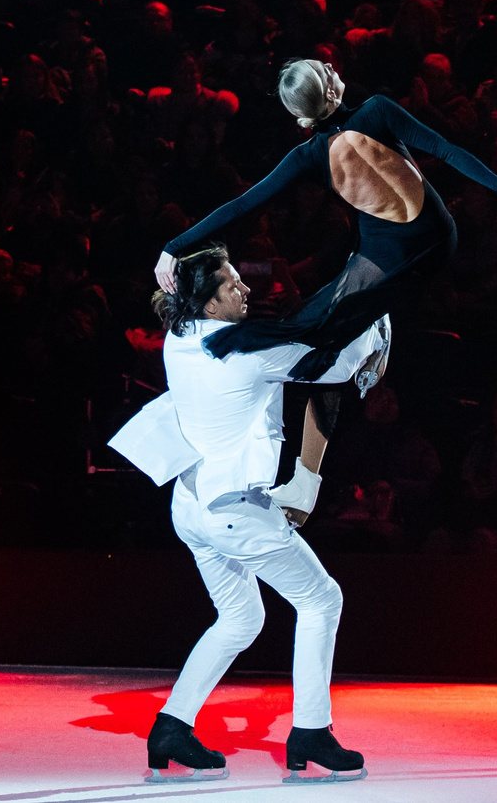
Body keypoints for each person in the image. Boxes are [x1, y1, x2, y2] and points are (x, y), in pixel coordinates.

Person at [109, 244, 380, 782]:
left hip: (190, 506)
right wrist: (374, 326)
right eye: (232, 285)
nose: (245, 289)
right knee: (322, 598)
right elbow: (333, 367)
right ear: (210, 307)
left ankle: (171, 727)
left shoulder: (181, 338)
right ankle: (310, 731)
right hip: (233, 513)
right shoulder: (245, 355)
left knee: (241, 618)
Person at [153, 58, 497, 384]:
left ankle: (344, 335)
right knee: (321, 318)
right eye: (327, 69)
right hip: (436, 238)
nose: (332, 64)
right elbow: (446, 149)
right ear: (329, 90)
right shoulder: (377, 109)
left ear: (302, 118)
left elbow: (242, 204)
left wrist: (174, 246)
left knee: (313, 322)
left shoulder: (307, 154)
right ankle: (357, 332)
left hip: (389, 254)